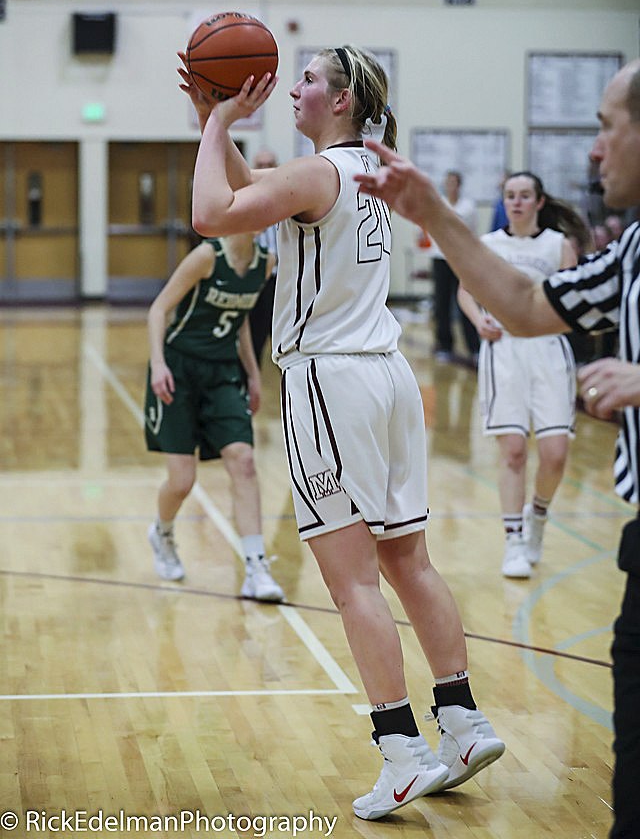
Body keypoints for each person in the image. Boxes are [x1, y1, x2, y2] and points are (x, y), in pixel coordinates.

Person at [185, 44, 504, 821]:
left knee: (352, 578)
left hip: (330, 382)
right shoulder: (363, 169)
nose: (292, 89)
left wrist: (219, 117)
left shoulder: (316, 172)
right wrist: (213, 124)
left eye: (305, 80)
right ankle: (461, 721)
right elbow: (246, 183)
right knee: (407, 559)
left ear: (340, 99)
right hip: (387, 378)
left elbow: (209, 213)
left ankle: (400, 752)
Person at [353, 58, 640, 839]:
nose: (593, 151)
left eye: (606, 127)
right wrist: (435, 214)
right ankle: (515, 544)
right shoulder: (631, 249)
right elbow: (518, 302)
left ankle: (422, 732)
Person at [143, 74, 284, 604]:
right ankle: (161, 531)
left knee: (243, 461)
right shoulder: (209, 255)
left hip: (225, 370)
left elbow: (244, 320)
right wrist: (158, 363)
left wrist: (253, 374)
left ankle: (255, 568)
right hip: (180, 367)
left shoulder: (266, 264)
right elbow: (159, 308)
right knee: (181, 480)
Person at [457, 172, 579, 578]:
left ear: (540, 201)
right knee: (512, 450)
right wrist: (478, 322)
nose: (517, 202)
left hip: (548, 350)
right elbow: (464, 291)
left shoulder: (559, 246)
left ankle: (538, 516)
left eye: (525, 195)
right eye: (510, 196)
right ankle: (513, 540)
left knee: (555, 455)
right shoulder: (488, 245)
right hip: (504, 350)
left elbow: (574, 300)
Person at [429, 171, 480, 364]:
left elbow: (472, 232)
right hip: (440, 257)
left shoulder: (469, 207)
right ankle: (444, 345)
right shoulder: (438, 202)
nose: (450, 186)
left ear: (459, 185)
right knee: (441, 303)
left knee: (465, 300)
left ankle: (474, 347)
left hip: (461, 259)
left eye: (454, 182)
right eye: (447, 182)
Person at [249, 148, 279, 367]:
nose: (266, 169)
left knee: (283, 338)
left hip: (282, 280)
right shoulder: (246, 198)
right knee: (253, 336)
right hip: (256, 278)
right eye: (261, 165)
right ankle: (250, 384)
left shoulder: (289, 197)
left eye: (270, 164)